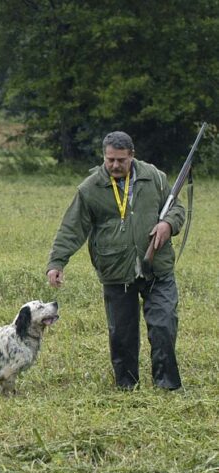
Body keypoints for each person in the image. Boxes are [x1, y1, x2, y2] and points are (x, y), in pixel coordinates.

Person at [46, 131, 185, 391]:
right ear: (104, 156)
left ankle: (167, 387)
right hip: (115, 271)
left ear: (132, 155)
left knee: (164, 327)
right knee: (121, 334)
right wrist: (56, 263)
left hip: (157, 268)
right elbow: (71, 228)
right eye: (110, 159)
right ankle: (126, 387)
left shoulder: (154, 177)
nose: (115, 165)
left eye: (121, 160)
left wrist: (168, 223)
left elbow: (177, 206)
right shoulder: (90, 188)